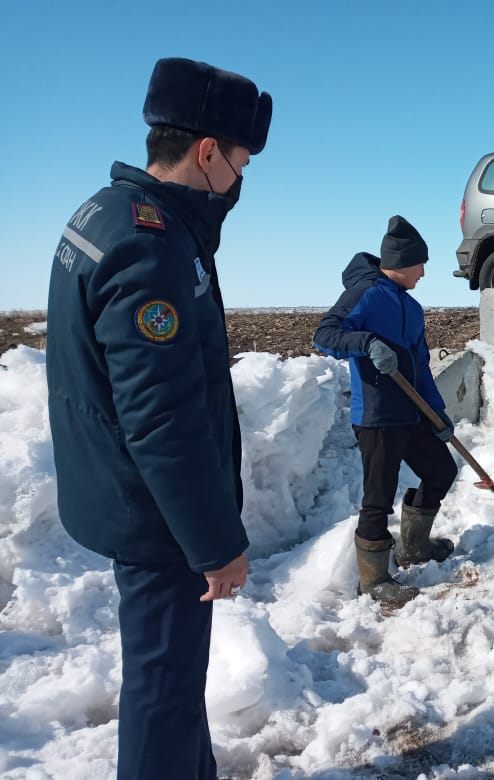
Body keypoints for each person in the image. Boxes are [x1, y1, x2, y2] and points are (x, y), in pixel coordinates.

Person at [45, 57, 272, 779]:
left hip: (130, 495)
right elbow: (161, 417)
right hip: (158, 517)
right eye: (238, 163)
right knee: (164, 692)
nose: (239, 183)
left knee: (169, 684)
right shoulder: (150, 244)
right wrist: (213, 543)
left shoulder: (104, 213)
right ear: (207, 153)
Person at [314, 215, 458, 608]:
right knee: (378, 496)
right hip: (377, 416)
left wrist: (438, 412)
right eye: (420, 264)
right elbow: (325, 335)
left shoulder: (411, 307)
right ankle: (373, 579)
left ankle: (414, 547)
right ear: (404, 261)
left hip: (412, 412)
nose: (424, 272)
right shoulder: (366, 293)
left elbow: (421, 363)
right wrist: (367, 342)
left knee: (441, 470)